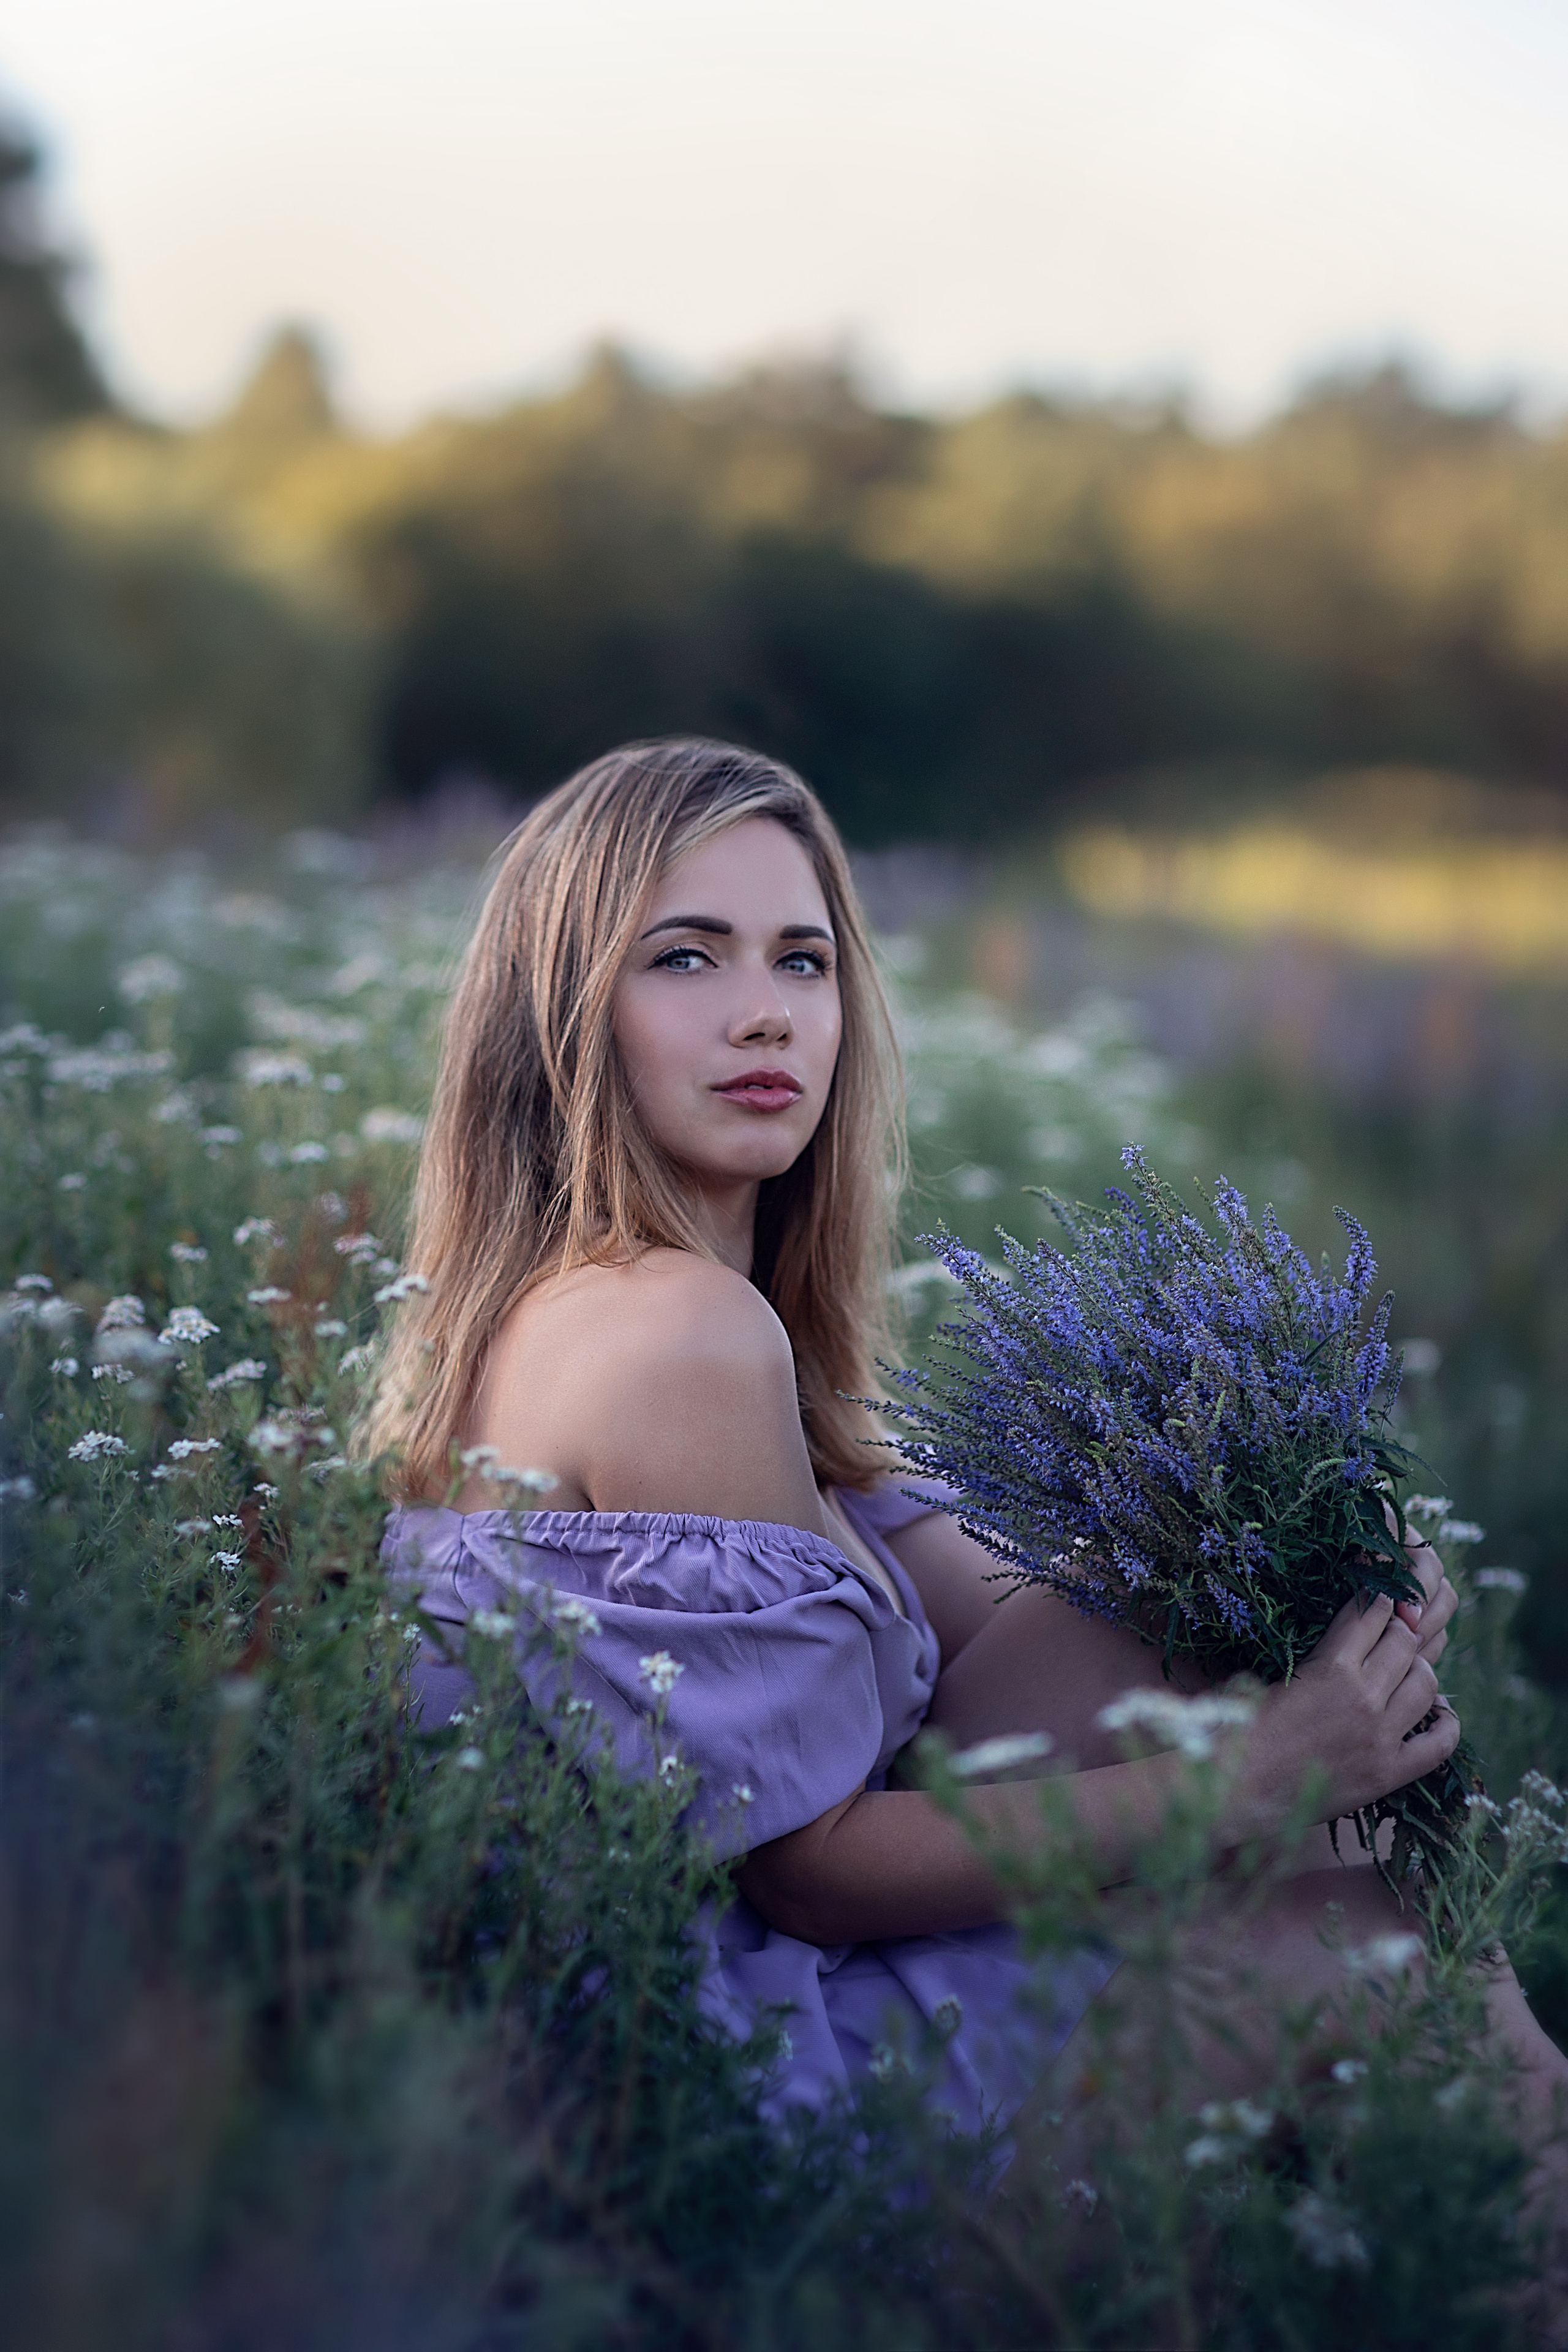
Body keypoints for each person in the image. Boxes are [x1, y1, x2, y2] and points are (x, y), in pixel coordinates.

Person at [367, 737, 1567, 2158]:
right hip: (725, 2097)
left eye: (800, 963)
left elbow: (1044, 1614)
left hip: (719, 2019)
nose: (764, 1017)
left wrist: (1308, 1569)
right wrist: (1263, 1774)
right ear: (562, 1012)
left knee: (1272, 1759)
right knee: (1373, 1959)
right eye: (685, 960)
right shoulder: (673, 1338)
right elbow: (803, 1878)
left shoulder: (658, 1327)